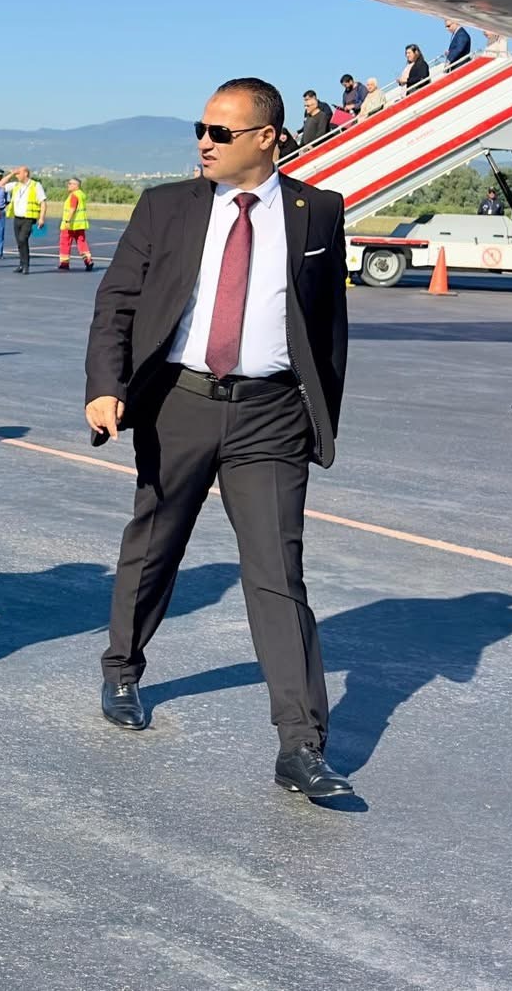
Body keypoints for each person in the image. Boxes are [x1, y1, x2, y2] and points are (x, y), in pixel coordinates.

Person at [85, 76, 353, 800]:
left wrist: (316, 416)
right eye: (200, 129)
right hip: (180, 403)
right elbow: (117, 302)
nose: (204, 142)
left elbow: (328, 326)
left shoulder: (319, 213)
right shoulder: (165, 206)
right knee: (156, 543)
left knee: (278, 573)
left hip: (271, 415)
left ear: (266, 138)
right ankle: (123, 668)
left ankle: (301, 745)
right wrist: (106, 385)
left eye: (220, 132)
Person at [5, 166, 46, 273]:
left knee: (23, 239)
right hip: (17, 218)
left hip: (28, 218)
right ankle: (21, 264)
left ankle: (26, 265)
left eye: (19, 173)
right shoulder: (16, 185)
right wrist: (11, 174)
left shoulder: (35, 185)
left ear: (26, 173)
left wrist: (41, 218)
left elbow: (43, 202)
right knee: (19, 242)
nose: (17, 175)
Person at [57, 176, 94, 270]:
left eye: (70, 184)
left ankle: (64, 263)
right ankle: (88, 260)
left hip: (70, 225)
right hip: (80, 225)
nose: (68, 185)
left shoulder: (74, 195)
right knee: (82, 243)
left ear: (76, 185)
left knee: (65, 243)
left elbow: (72, 209)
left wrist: (67, 221)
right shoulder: (81, 195)